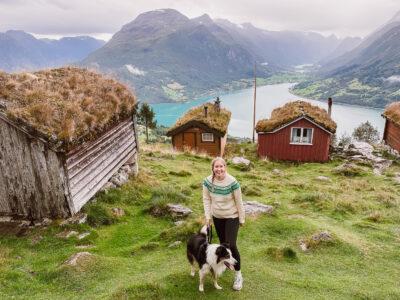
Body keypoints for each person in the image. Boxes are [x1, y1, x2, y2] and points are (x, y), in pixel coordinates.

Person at [202, 157, 245, 291]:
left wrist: (242, 218)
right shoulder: (208, 181)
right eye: (216, 167)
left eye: (221, 166)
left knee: (231, 244)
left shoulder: (232, 182)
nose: (219, 169)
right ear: (213, 168)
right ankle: (226, 264)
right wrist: (208, 217)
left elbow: (239, 201)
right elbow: (206, 199)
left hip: (232, 216)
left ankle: (238, 275)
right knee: (223, 244)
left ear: (225, 167)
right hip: (217, 216)